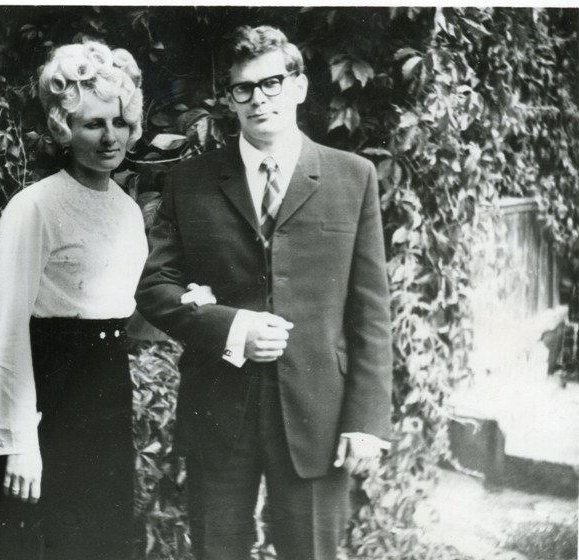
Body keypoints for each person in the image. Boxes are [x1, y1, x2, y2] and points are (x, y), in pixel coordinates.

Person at [136, 25, 393, 560]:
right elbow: (155, 286)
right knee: (217, 550)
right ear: (230, 99)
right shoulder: (191, 182)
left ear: (299, 86)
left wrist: (366, 422)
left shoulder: (353, 178)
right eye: (243, 88)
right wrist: (234, 328)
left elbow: (371, 311)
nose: (259, 99)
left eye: (272, 83)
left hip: (318, 414)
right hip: (218, 407)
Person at [0, 40, 148, 560]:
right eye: (93, 124)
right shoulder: (35, 206)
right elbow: (8, 330)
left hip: (109, 386)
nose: (110, 137)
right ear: (63, 128)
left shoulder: (127, 210)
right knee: (53, 539)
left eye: (120, 122)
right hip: (53, 389)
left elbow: (122, 308)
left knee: (106, 539)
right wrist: (19, 442)